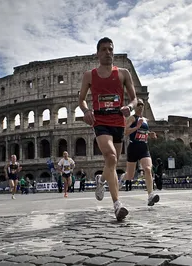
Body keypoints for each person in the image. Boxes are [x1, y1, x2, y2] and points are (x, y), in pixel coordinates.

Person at [78, 37, 137, 221]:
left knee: (113, 163)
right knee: (111, 157)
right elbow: (80, 100)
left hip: (118, 121)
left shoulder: (123, 73)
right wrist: (87, 111)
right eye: (103, 49)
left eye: (110, 49)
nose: (108, 52)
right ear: (97, 53)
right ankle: (117, 205)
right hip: (100, 121)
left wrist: (131, 107)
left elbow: (134, 99)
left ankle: (101, 180)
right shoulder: (89, 75)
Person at [121, 98, 159, 206]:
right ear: (135, 107)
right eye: (138, 104)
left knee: (148, 169)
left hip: (144, 148)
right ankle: (122, 178)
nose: (141, 106)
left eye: (142, 104)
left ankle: (150, 195)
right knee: (130, 175)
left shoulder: (145, 119)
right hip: (133, 147)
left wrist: (151, 134)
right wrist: (136, 127)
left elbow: (144, 132)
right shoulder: (131, 118)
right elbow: (125, 132)